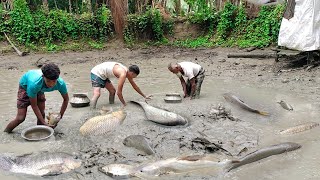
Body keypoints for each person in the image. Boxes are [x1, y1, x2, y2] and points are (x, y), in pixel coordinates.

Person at [4, 63, 69, 133]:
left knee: (41, 114)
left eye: (54, 81)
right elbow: (34, 106)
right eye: (48, 81)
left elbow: (66, 99)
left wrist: (59, 116)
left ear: (58, 78)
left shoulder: (61, 83)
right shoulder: (34, 84)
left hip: (39, 89)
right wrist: (44, 123)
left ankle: (40, 134)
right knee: (20, 118)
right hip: (25, 86)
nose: (51, 84)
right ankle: (5, 133)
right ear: (43, 76)